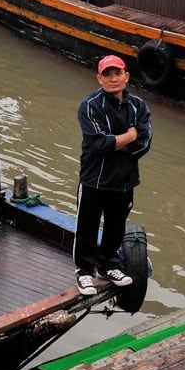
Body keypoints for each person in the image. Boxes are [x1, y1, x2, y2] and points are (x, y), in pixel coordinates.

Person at [74, 54, 152, 296]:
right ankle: (84, 272)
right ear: (99, 78)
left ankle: (108, 266)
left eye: (118, 73)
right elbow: (99, 143)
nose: (113, 79)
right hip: (94, 178)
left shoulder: (139, 106)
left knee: (116, 225)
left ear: (127, 76)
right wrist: (129, 136)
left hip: (124, 179)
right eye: (107, 74)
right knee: (87, 225)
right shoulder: (90, 105)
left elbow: (145, 143)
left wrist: (119, 142)